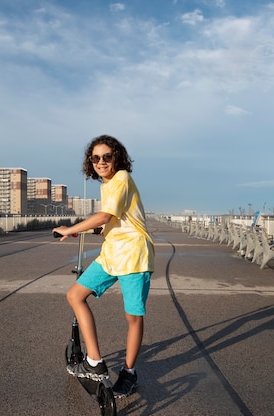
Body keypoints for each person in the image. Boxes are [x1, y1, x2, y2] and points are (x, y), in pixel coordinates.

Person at [52, 135, 154, 398]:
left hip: (133, 255)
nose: (101, 162)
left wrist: (72, 227)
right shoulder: (107, 185)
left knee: (133, 317)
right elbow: (109, 223)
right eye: (95, 158)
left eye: (106, 156)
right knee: (75, 295)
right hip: (111, 253)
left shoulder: (121, 179)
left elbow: (106, 215)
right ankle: (95, 362)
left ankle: (129, 373)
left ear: (117, 157)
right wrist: (81, 231)